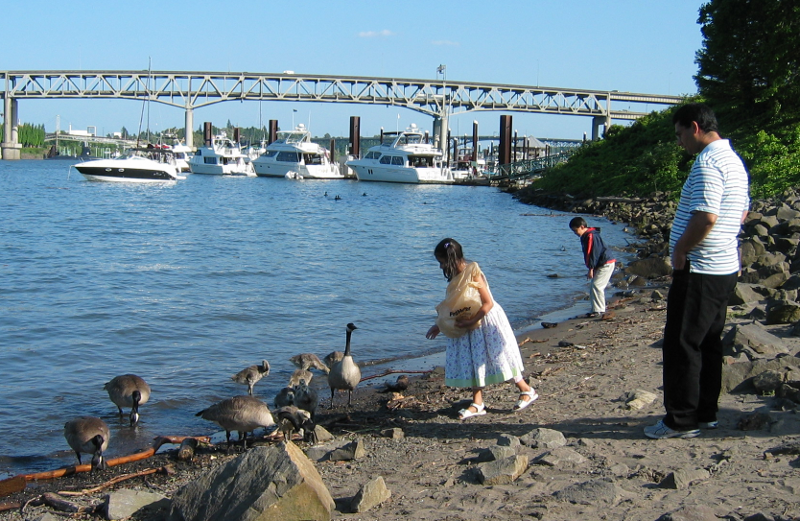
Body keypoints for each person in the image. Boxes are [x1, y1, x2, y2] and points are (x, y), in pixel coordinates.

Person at [644, 103, 750, 439]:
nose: (680, 143)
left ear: (694, 127)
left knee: (681, 344)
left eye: (680, 135)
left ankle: (681, 420)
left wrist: (680, 248)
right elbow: (742, 211)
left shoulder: (708, 163)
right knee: (708, 343)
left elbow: (706, 216)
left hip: (700, 268)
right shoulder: (734, 161)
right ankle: (706, 413)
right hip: (724, 267)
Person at [425, 238, 538, 420]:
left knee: (498, 357)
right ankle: (477, 403)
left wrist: (472, 322)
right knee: (474, 359)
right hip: (469, 322)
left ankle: (526, 389)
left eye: (442, 263)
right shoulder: (456, 276)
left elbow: (488, 303)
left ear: (451, 259)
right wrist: (440, 324)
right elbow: (455, 305)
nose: (441, 267)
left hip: (485, 320)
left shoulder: (473, 272)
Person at [569, 217, 616, 318]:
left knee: (597, 286)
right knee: (595, 286)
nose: (575, 233)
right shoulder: (587, 235)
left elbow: (593, 253)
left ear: (582, 227)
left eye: (575, 230)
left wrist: (591, 269)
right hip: (602, 263)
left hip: (606, 263)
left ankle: (599, 310)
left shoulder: (590, 236)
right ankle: (597, 309)